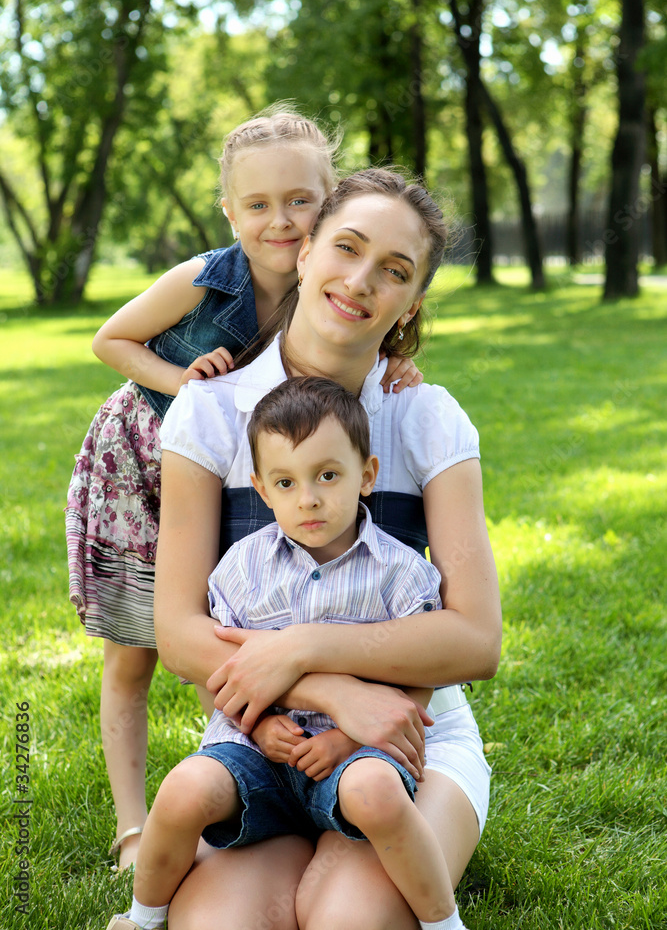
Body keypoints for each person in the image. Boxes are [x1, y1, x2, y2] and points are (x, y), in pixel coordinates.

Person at [65, 109, 421, 870]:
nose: (281, 220)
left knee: (234, 608)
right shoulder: (205, 276)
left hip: (248, 466)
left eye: (300, 200)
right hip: (144, 459)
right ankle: (134, 825)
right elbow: (109, 340)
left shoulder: (329, 280)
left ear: (330, 200)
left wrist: (400, 363)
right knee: (138, 650)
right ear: (230, 211)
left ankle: (247, 759)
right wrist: (183, 381)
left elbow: (369, 332)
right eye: (257, 205)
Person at [153, 167, 502, 930]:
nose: (360, 280)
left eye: (395, 271)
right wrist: (327, 689)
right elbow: (178, 633)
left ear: (410, 304)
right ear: (304, 251)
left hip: (406, 738)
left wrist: (305, 645)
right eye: (346, 247)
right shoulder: (208, 414)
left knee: (349, 921)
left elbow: (475, 639)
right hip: (259, 737)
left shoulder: (428, 421)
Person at [107, 375, 471, 930]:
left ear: (367, 475)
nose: (309, 499)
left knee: (376, 791)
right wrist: (253, 728)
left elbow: (422, 674)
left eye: (328, 475)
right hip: (257, 748)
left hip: (354, 752)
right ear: (259, 486)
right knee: (183, 788)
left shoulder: (400, 571)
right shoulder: (240, 570)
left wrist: (350, 737)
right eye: (285, 481)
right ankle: (139, 917)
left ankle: (443, 922)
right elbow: (218, 667)